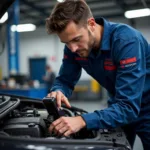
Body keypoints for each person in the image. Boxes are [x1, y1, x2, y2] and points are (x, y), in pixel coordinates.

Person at [45, 0, 150, 149]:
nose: (72, 48)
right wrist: (58, 90)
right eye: (66, 43)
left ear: (91, 24)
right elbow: (65, 80)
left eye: (76, 39)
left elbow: (129, 106)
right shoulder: (73, 47)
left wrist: (83, 120)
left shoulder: (126, 41)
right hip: (118, 107)